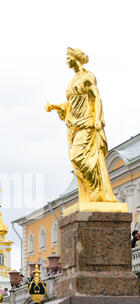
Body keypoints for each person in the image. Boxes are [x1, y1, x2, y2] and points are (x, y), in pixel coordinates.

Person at [46, 48, 117, 204]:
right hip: (74, 126)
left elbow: (97, 98)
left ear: (75, 58)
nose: (66, 59)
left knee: (79, 156)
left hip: (87, 124)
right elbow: (71, 104)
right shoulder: (72, 80)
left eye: (68, 56)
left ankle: (96, 192)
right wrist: (56, 107)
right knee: (75, 158)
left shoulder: (88, 77)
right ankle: (93, 192)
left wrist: (97, 118)